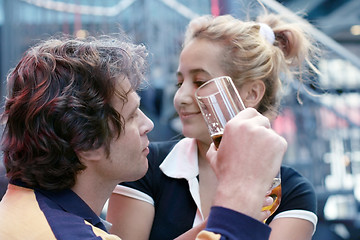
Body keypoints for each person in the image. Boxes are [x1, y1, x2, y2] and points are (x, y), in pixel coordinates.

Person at [0, 34, 287, 239]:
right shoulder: (63, 233)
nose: (148, 124)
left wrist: (214, 222)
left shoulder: (34, 211)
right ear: (86, 140)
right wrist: (242, 192)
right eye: (133, 114)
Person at [107, 12, 320, 240]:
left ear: (252, 93)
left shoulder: (291, 191)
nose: (181, 97)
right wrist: (232, 215)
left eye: (200, 82)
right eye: (180, 82)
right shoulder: (143, 165)